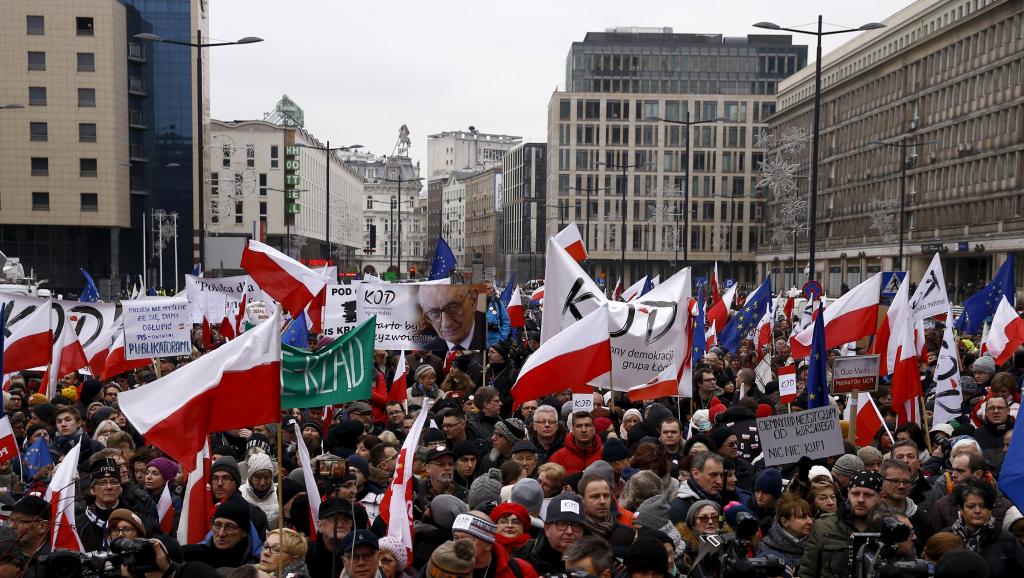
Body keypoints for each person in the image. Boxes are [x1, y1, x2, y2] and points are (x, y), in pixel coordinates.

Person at [799, 471, 882, 578]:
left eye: (868, 495)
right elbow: (807, 573)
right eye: (855, 493)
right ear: (848, 493)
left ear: (880, 496)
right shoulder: (823, 527)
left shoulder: (888, 529)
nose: (861, 499)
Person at [941, 478, 1024, 578]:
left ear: (990, 509)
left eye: (983, 506)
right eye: (971, 506)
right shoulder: (946, 538)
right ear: (961, 509)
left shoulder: (1007, 540)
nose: (977, 511)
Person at [514, 492, 586, 575]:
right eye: (562, 524)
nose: (569, 531)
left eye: (576, 525)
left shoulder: (592, 558)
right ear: (547, 529)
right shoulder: (524, 555)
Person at [452, 511, 538, 578]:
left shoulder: (520, 570)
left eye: (469, 540)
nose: (459, 544)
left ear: (488, 544)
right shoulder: (444, 568)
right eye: (456, 538)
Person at [182, 495, 256, 568]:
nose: (221, 533)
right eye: (217, 525)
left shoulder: (256, 566)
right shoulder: (191, 555)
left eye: (230, 527)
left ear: (244, 532)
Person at [306, 497, 370, 577]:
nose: (340, 525)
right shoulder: (305, 553)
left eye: (345, 520)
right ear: (320, 525)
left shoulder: (358, 554)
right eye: (334, 519)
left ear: (351, 525)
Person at [878, 459, 933, 551]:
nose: (901, 486)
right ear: (881, 481)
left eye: (906, 481)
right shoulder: (871, 516)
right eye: (895, 481)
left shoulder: (923, 519)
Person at [418, 285, 486, 351]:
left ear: (473, 300)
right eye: (435, 313)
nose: (446, 324)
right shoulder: (426, 348)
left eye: (453, 307)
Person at [757, 494, 814, 574]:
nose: (810, 522)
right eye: (803, 517)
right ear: (785, 522)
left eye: (810, 516)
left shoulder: (816, 544)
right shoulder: (765, 548)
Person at [670, 452, 723, 524]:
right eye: (713, 475)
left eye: (721, 475)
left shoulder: (722, 502)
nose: (719, 481)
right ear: (695, 473)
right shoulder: (677, 510)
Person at [239, 452, 279, 529]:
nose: (262, 483)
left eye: (267, 477)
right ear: (251, 477)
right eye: (258, 477)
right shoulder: (240, 494)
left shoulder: (279, 493)